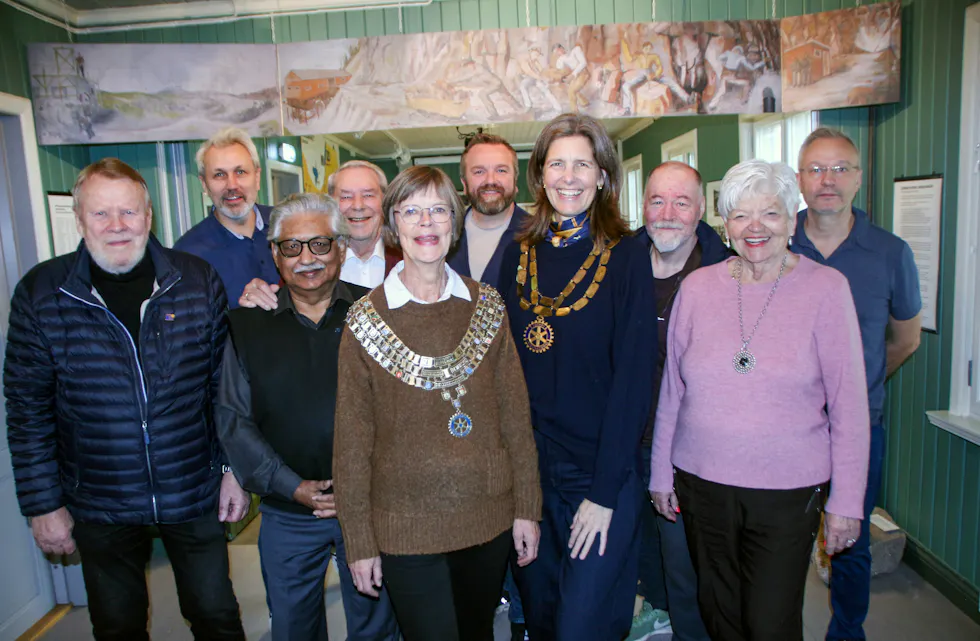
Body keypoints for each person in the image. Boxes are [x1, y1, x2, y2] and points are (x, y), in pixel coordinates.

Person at [5, 158, 248, 641]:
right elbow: (27, 411)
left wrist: (232, 471)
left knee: (216, 616)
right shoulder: (42, 293)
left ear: (149, 215)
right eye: (100, 214)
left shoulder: (196, 280)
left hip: (192, 487)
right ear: (79, 220)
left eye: (129, 213)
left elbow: (225, 391)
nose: (117, 226)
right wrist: (43, 505)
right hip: (99, 498)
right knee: (117, 626)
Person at [650, 159, 871, 641]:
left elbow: (850, 405)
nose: (755, 228)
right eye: (740, 215)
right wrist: (660, 473)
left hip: (788, 492)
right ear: (724, 225)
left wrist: (847, 501)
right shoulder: (697, 288)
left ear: (793, 219)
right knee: (718, 612)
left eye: (769, 214)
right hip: (700, 483)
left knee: (770, 621)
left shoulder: (826, 290)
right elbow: (673, 391)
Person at [333, 165, 542, 641]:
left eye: (438, 210)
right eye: (411, 211)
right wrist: (359, 541)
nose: (426, 224)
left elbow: (515, 416)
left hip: (487, 519)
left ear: (455, 221)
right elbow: (350, 443)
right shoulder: (364, 320)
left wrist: (527, 507)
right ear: (393, 223)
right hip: (405, 528)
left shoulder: (487, 305)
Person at [498, 113, 657, 641]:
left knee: (581, 626)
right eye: (557, 163)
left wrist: (606, 493)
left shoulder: (629, 255)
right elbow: (490, 352)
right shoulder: (516, 250)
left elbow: (634, 382)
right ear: (539, 175)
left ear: (603, 175)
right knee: (542, 619)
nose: (569, 176)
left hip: (599, 471)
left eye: (582, 164)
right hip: (532, 477)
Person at [215, 193, 399, 641]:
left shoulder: (380, 313)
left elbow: (402, 413)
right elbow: (233, 419)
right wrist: (290, 487)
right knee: (294, 627)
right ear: (275, 254)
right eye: (292, 247)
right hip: (285, 513)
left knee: (377, 627)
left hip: (370, 508)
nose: (307, 259)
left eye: (319, 244)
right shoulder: (246, 326)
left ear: (339, 246)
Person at [791, 128, 922, 641]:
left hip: (857, 430)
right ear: (800, 178)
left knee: (851, 538)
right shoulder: (776, 244)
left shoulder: (890, 253)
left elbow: (906, 339)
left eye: (841, 168)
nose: (829, 180)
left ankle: (847, 632)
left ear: (859, 178)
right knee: (783, 539)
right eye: (817, 169)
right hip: (785, 429)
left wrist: (853, 390)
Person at [635, 161, 727, 641]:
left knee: (691, 573)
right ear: (642, 205)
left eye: (681, 202)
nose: (667, 213)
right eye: (657, 200)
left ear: (700, 210)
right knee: (646, 563)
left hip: (691, 454)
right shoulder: (617, 265)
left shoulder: (726, 272)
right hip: (626, 447)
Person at [239, 160, 399, 310]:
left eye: (368, 195)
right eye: (346, 197)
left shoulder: (408, 260)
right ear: (330, 203)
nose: (358, 205)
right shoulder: (298, 263)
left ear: (385, 201)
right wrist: (256, 296)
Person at [174, 127, 279, 308]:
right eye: (219, 174)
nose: (231, 185)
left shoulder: (288, 224)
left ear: (257, 177)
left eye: (240, 172)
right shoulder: (187, 255)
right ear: (204, 184)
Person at [450, 133, 531, 285]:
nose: (490, 180)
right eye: (479, 171)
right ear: (464, 184)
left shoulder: (540, 236)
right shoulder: (444, 234)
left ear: (515, 180)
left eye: (501, 170)